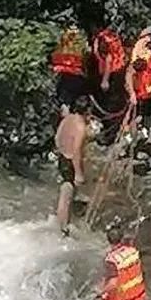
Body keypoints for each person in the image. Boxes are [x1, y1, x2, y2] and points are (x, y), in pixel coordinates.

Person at [54, 96, 91, 235]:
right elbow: (76, 151)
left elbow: (57, 137)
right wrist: (78, 173)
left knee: (67, 193)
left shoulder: (67, 119)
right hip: (70, 160)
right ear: (87, 111)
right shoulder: (80, 126)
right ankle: (63, 229)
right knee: (66, 194)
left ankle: (65, 222)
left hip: (61, 156)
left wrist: (62, 150)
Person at [126, 20, 151, 139]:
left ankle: (146, 137)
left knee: (150, 115)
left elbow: (144, 32)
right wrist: (132, 93)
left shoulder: (144, 41)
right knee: (138, 116)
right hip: (142, 92)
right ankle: (131, 140)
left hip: (150, 90)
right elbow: (130, 72)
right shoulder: (143, 54)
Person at [90, 24, 127, 144]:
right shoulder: (111, 36)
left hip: (111, 75)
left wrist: (105, 79)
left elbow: (109, 58)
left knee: (109, 105)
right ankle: (114, 133)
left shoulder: (103, 40)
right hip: (119, 72)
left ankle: (109, 136)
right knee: (115, 104)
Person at [50, 25, 89, 118]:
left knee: (65, 101)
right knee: (76, 101)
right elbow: (85, 57)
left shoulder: (61, 38)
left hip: (61, 73)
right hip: (77, 74)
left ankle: (66, 116)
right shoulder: (81, 40)